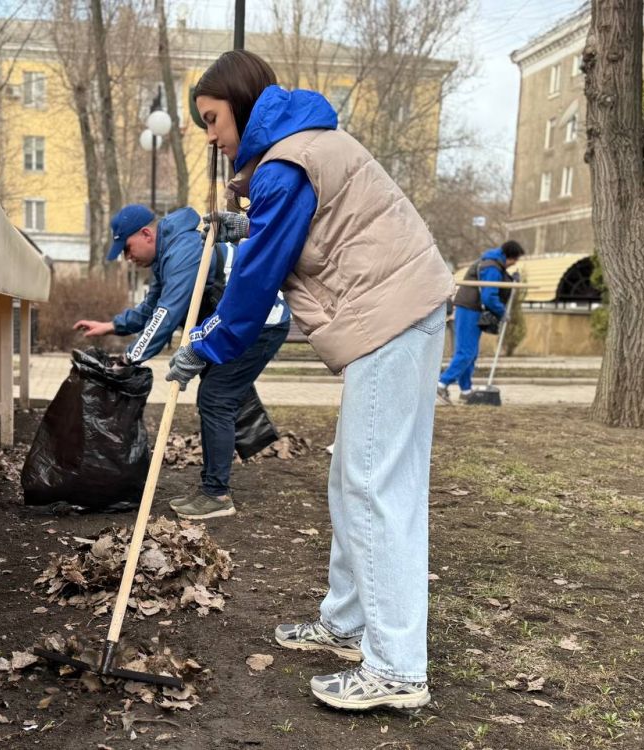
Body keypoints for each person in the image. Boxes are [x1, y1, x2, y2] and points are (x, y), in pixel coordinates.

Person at [165, 51, 453, 711]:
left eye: (212, 119)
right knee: (357, 480)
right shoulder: (299, 147)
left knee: (377, 490)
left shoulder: (287, 161)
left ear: (240, 102)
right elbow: (295, 232)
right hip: (396, 309)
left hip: (390, 314)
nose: (210, 135)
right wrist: (247, 223)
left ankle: (397, 669)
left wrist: (205, 343)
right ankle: (348, 623)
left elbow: (257, 281)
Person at [73, 203, 290, 519]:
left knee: (216, 397)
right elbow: (152, 308)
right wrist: (111, 326)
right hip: (233, 323)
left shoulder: (183, 251)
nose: (127, 257)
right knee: (220, 394)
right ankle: (229, 465)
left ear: (147, 233)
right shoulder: (167, 254)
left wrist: (132, 357)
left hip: (260, 323)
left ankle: (216, 495)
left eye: (127, 248)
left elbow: (167, 315)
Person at [437, 241, 525, 404]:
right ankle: (441, 384)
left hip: (472, 309)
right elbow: (489, 296)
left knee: (470, 353)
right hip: (469, 310)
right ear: (509, 257)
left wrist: (512, 281)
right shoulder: (491, 266)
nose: (515, 263)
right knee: (466, 353)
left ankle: (466, 391)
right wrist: (502, 311)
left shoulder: (494, 264)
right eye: (515, 260)